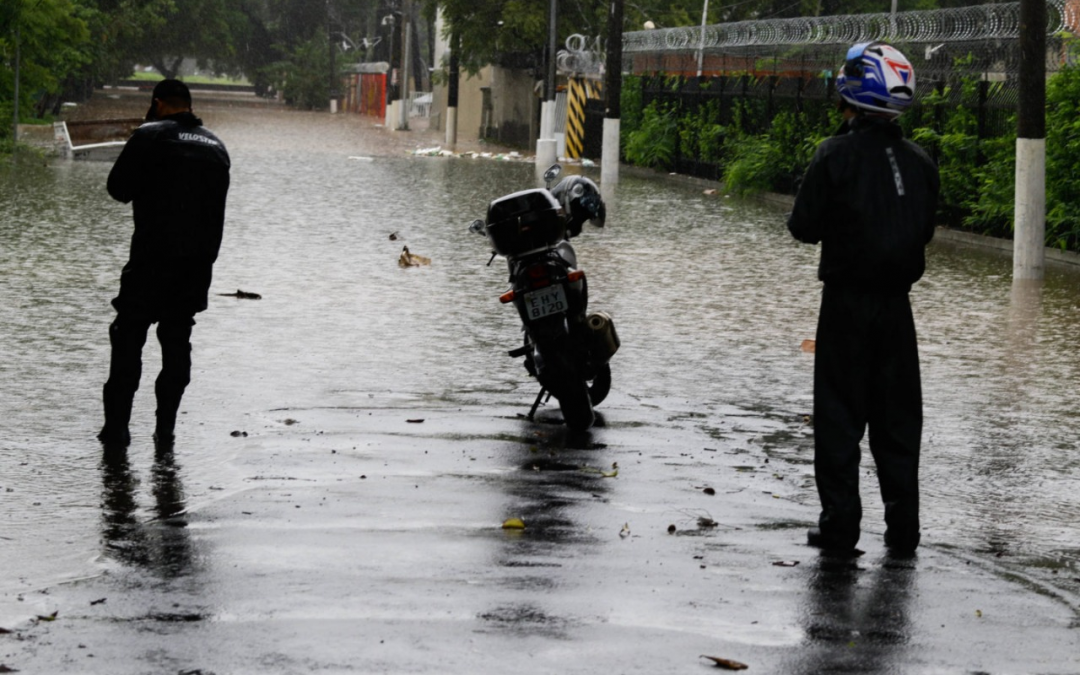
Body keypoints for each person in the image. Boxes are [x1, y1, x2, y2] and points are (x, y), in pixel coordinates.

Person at [787, 42, 939, 555]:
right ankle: (904, 532)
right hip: (898, 311)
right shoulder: (921, 162)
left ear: (852, 94)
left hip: (846, 307)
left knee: (839, 418)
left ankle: (840, 529)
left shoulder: (833, 154)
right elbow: (923, 233)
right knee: (899, 423)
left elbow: (803, 228)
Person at [97, 79, 231, 448]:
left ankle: (117, 431)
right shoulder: (216, 147)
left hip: (150, 260)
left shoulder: (150, 135)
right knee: (176, 343)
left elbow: (117, 189)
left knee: (128, 339)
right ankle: (165, 432)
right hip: (196, 267)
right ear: (189, 104)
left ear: (158, 104)